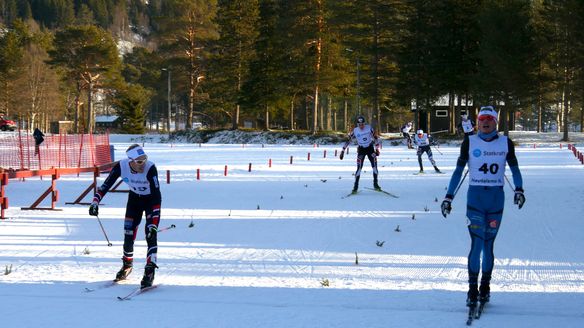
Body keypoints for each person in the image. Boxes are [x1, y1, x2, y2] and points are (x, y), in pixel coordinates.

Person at [440, 105, 525, 310]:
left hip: (496, 197)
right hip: (475, 198)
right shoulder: (469, 141)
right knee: (476, 243)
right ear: (477, 122)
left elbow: (515, 170)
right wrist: (448, 197)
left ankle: (485, 286)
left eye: (489, 119)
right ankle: (472, 289)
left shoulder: (506, 143)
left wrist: (519, 190)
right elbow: (458, 171)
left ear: (496, 122)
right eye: (481, 119)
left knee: (488, 244)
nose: (485, 122)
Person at [89, 144, 162, 288]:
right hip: (134, 200)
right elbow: (106, 185)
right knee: (128, 234)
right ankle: (127, 265)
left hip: (150, 202)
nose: (143, 164)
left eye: (145, 159)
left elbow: (156, 196)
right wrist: (95, 201)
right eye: (139, 161)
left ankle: (150, 270)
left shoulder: (150, 168)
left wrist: (154, 222)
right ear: (131, 161)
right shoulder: (121, 166)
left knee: (150, 234)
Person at [340, 115, 381, 192]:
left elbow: (375, 138)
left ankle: (376, 184)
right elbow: (348, 140)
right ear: (357, 124)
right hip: (361, 150)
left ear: (364, 123)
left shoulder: (369, 128)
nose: (361, 126)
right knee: (359, 168)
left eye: (362, 124)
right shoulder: (355, 130)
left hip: (370, 149)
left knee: (374, 167)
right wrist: (343, 150)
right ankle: (355, 186)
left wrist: (377, 149)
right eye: (359, 125)